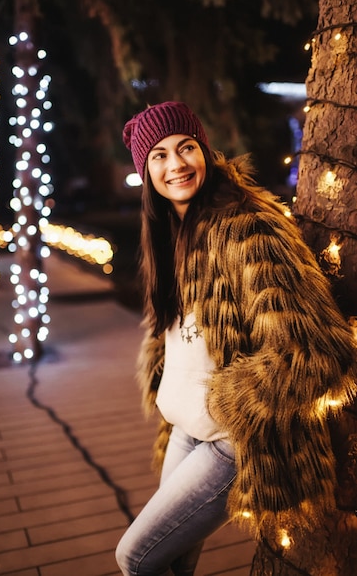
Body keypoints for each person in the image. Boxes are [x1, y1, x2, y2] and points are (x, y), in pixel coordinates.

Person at [115, 101, 357, 576]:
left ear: (203, 149)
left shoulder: (248, 230)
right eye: (159, 156)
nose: (176, 164)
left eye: (186, 147)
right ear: (146, 172)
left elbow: (316, 349)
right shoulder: (169, 232)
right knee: (173, 564)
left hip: (234, 442)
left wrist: (230, 407)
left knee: (136, 556)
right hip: (185, 430)